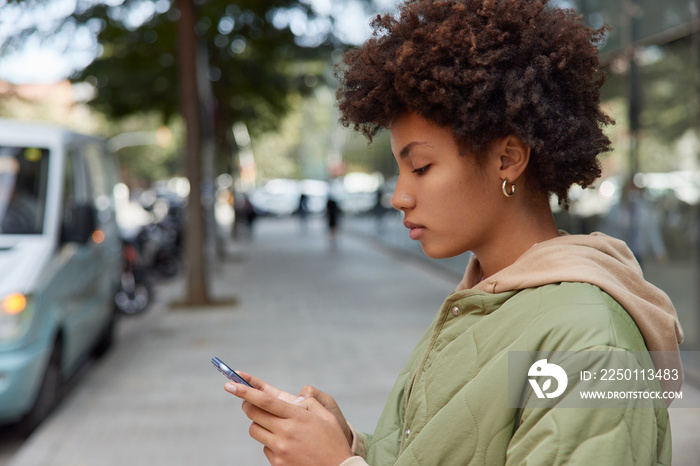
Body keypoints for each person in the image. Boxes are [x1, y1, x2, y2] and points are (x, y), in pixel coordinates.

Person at [224, 1, 684, 465]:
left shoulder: (591, 340)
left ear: (508, 159)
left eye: (421, 167)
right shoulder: (484, 302)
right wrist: (351, 446)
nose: (398, 196)